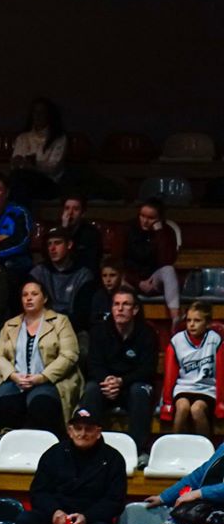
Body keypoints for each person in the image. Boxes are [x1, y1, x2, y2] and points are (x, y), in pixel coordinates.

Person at [0, 280, 83, 438]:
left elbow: (69, 355)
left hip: (50, 380)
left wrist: (41, 377)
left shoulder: (60, 321)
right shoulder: (10, 324)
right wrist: (14, 375)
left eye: (34, 294)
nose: (29, 298)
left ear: (45, 298)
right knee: (4, 403)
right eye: (25, 295)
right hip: (16, 380)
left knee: (41, 404)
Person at [84, 288, 158, 463]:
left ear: (135, 310)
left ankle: (137, 451)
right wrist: (108, 380)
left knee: (140, 391)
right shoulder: (99, 331)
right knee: (91, 389)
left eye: (125, 304)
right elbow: (93, 364)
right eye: (116, 304)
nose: (120, 309)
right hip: (106, 386)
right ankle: (87, 448)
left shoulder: (147, 334)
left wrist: (121, 381)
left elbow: (147, 369)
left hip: (131, 386)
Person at [160, 301, 224, 436]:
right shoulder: (177, 341)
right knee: (182, 407)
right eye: (189, 320)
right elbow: (170, 374)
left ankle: (205, 450)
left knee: (197, 409)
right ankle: (176, 446)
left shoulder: (215, 340)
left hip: (207, 389)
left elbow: (221, 373)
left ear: (207, 323)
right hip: (184, 387)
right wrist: (167, 402)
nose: (192, 324)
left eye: (197, 320)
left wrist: (220, 403)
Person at [29, 226, 96, 335]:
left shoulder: (83, 275)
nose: (52, 248)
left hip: (74, 331)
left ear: (69, 245)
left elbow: (82, 316)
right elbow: (33, 310)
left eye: (57, 243)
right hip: (42, 330)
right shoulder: (38, 273)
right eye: (49, 244)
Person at [123, 197, 180, 323]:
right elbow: (118, 262)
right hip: (131, 280)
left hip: (153, 279)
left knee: (169, 270)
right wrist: (138, 282)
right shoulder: (128, 229)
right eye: (142, 216)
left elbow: (167, 261)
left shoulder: (166, 232)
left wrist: (159, 233)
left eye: (151, 218)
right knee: (115, 276)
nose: (145, 221)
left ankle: (175, 318)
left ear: (159, 218)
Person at [9, 97, 67, 204]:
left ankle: (18, 216)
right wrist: (18, 162)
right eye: (35, 112)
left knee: (20, 181)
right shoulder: (23, 138)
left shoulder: (59, 138)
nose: (38, 116)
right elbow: (16, 164)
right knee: (18, 181)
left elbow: (54, 167)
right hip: (24, 180)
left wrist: (33, 165)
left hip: (49, 183)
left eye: (42, 112)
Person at [60, 192, 103, 273]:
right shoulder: (56, 231)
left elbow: (91, 263)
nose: (70, 213)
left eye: (75, 209)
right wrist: (64, 230)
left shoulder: (92, 234)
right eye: (67, 208)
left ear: (82, 213)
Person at [88, 256, 125, 326]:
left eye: (112, 275)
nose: (108, 280)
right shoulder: (98, 296)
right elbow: (94, 318)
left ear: (121, 276)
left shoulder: (127, 296)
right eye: (104, 276)